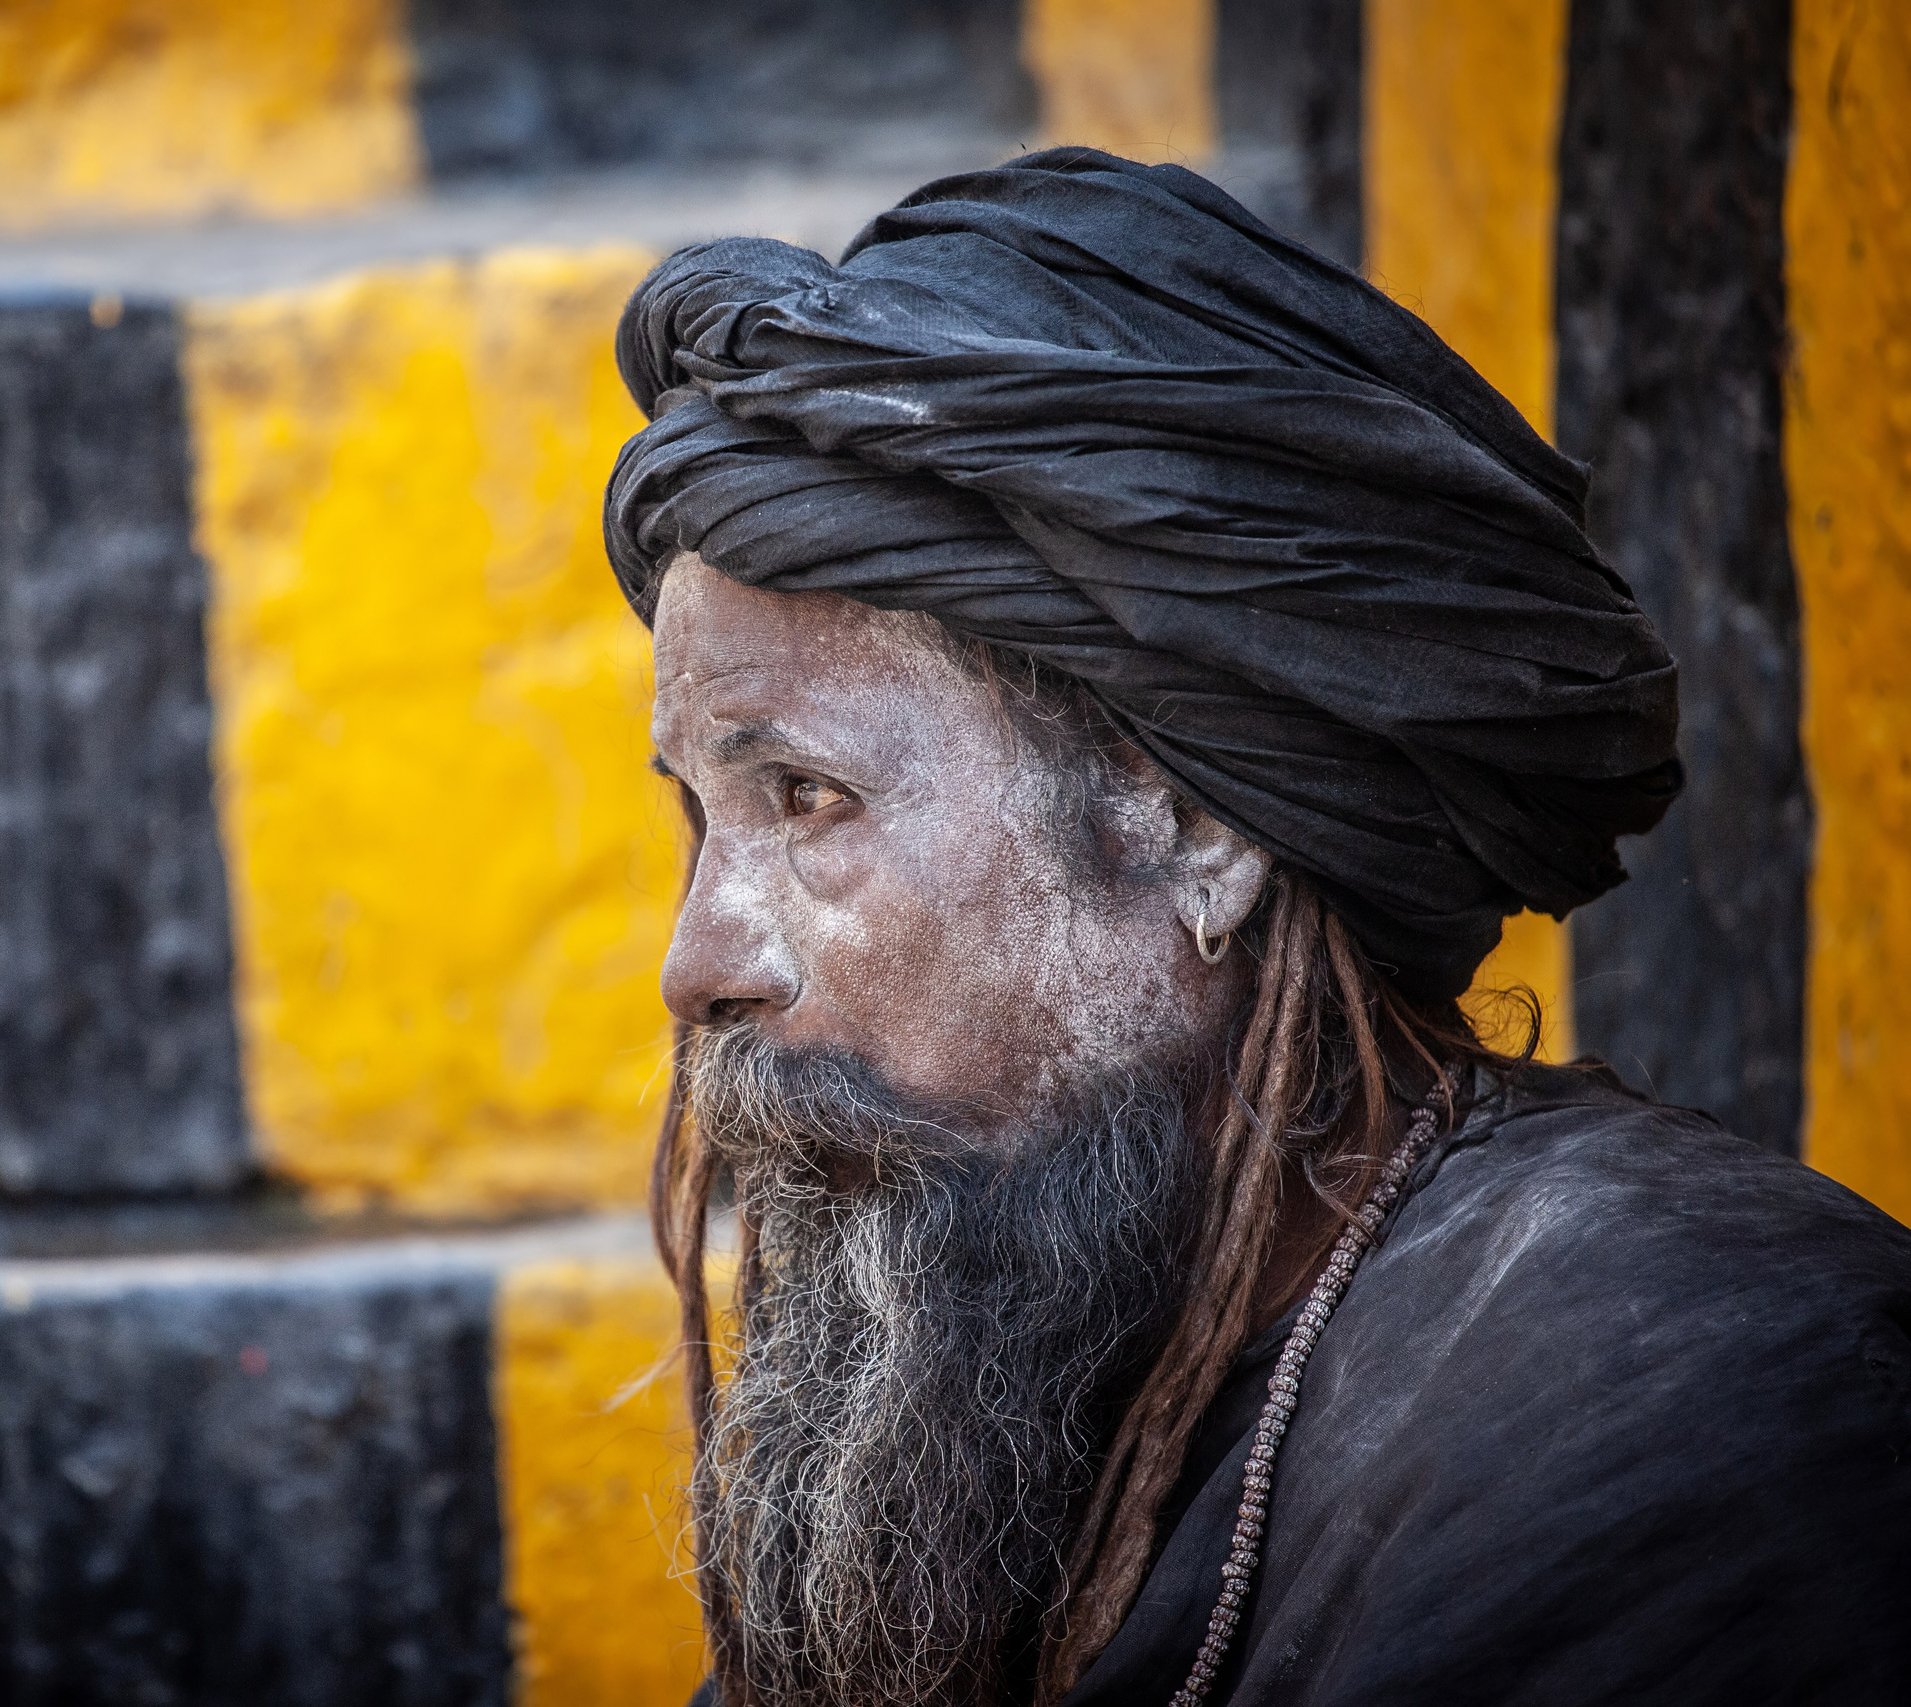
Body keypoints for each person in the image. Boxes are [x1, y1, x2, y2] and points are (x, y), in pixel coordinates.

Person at [608, 150, 1911, 1707]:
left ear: (1204, 830)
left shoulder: (1706, 1417)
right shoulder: (1017, 1376)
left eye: (808, 799)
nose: (700, 964)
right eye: (702, 815)